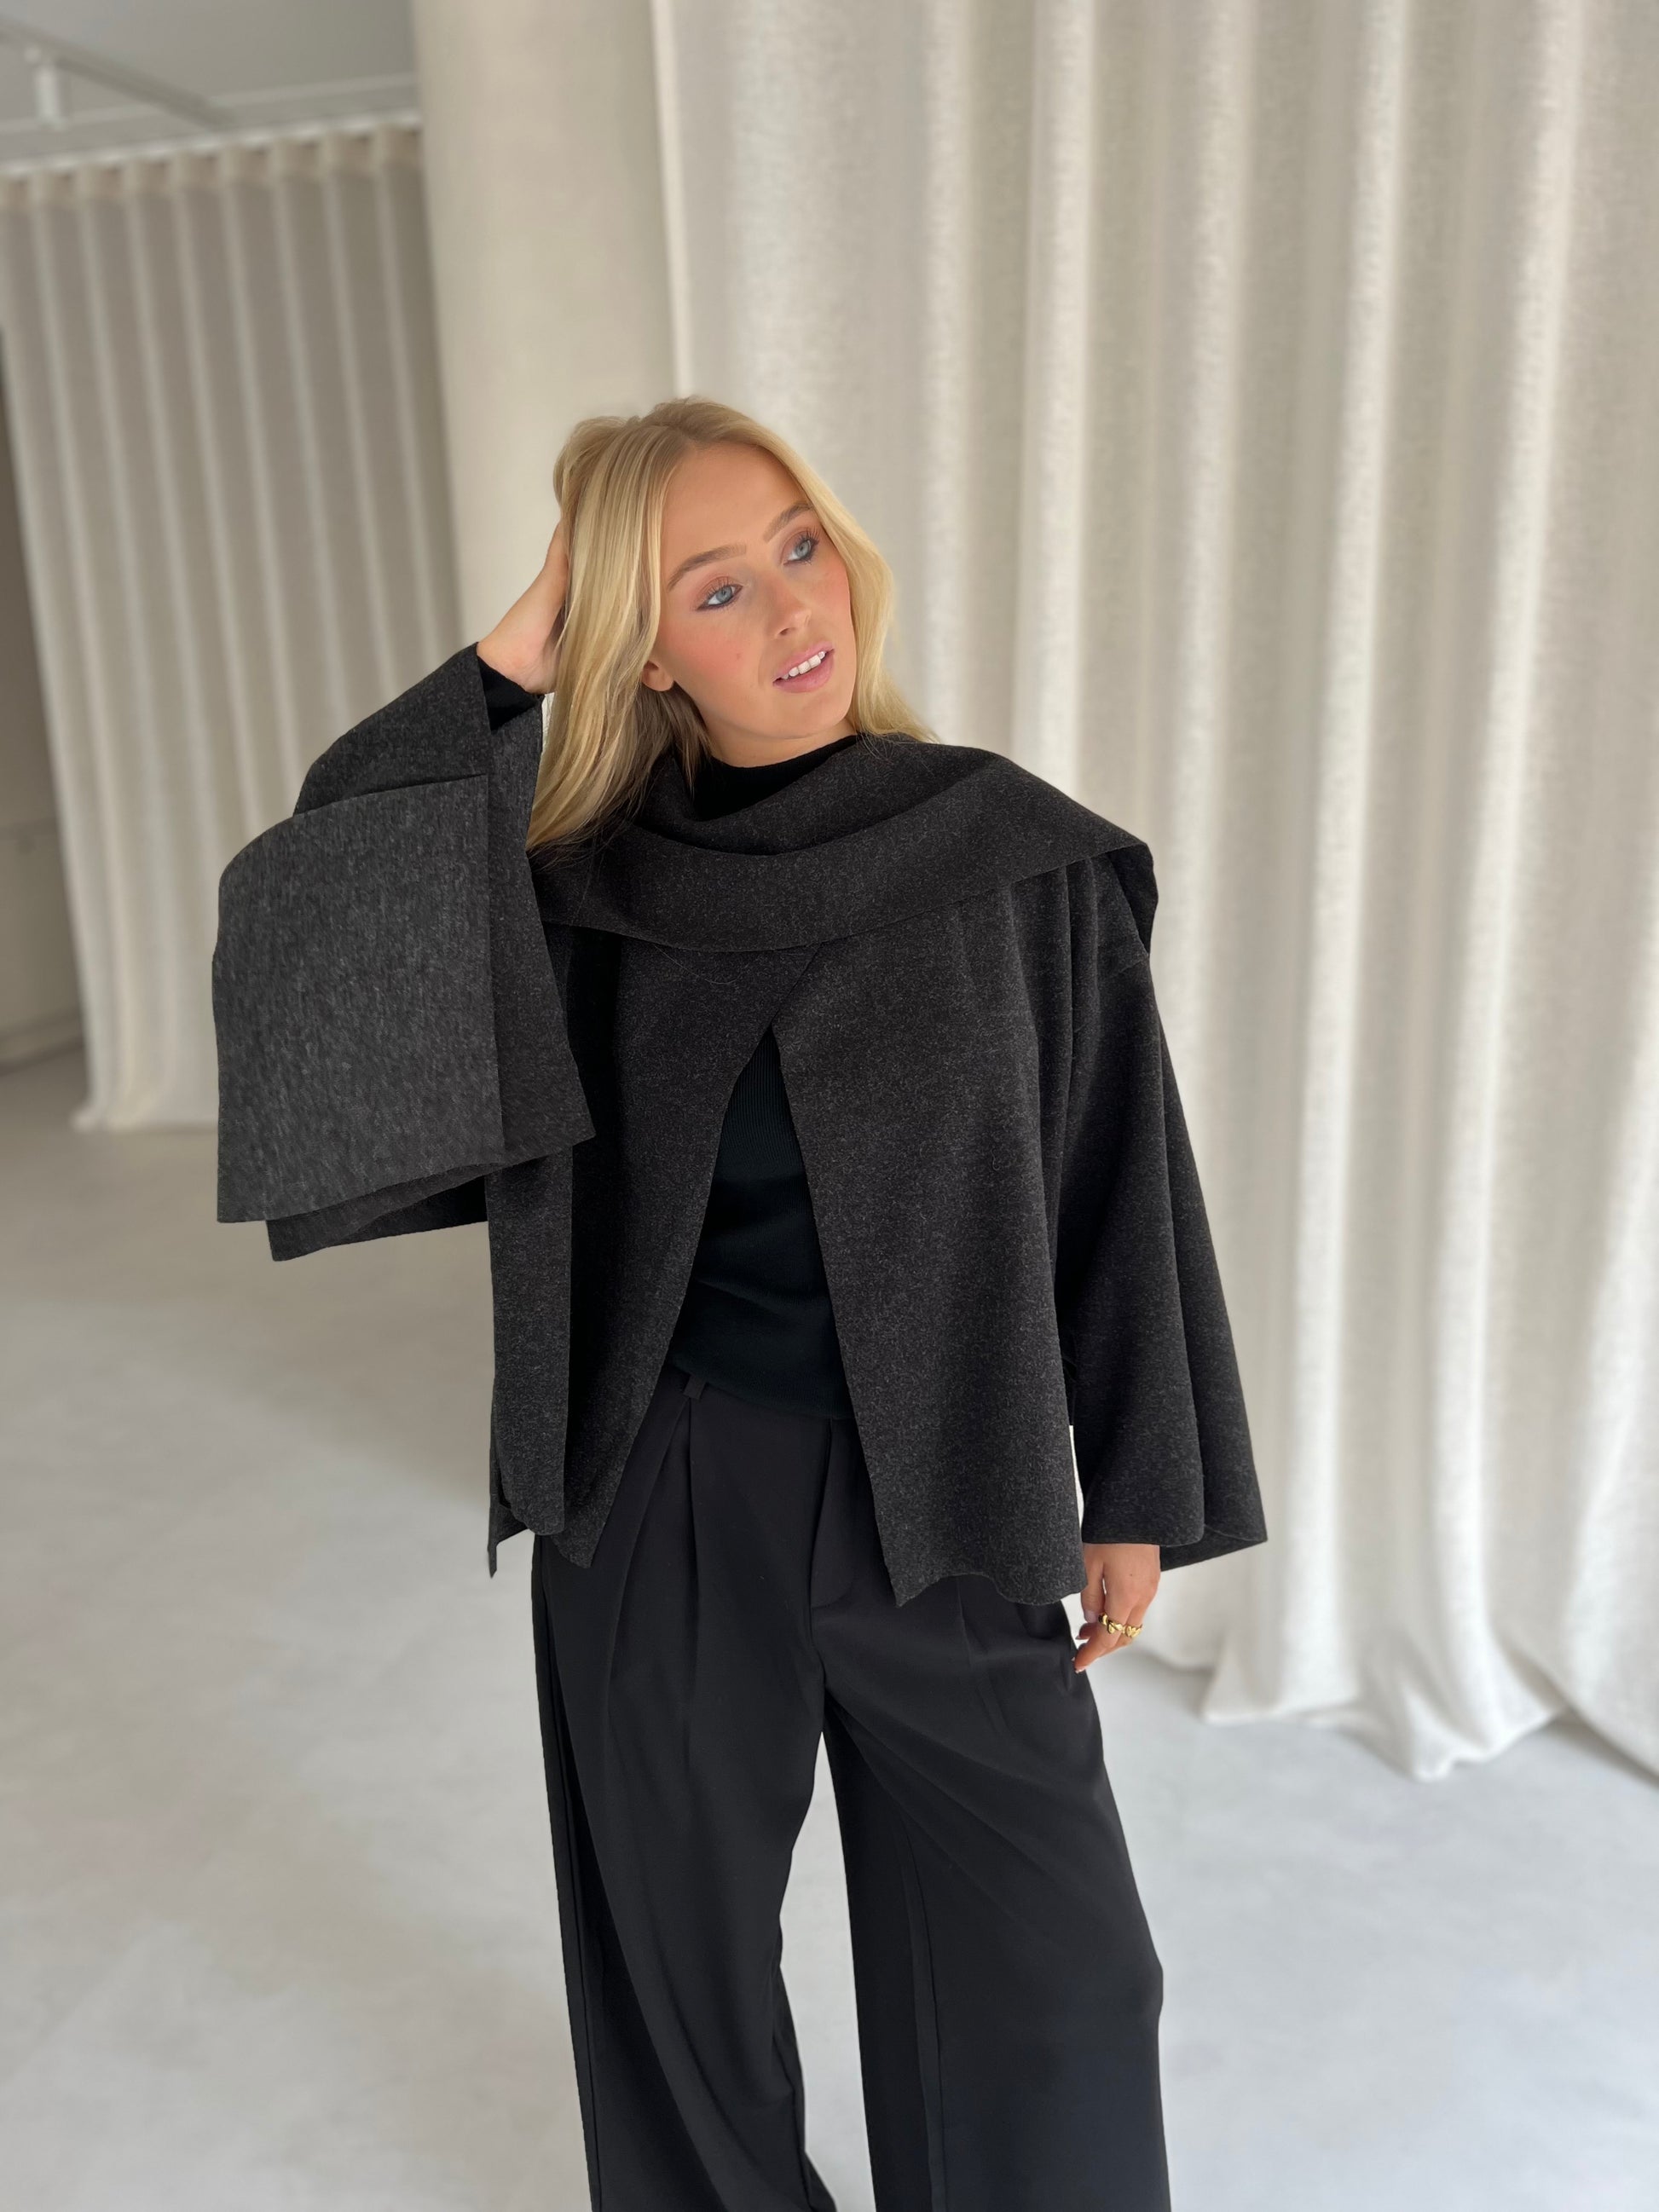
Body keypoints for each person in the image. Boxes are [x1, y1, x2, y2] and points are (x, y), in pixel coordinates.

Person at [211, 395, 1267, 2212]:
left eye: (798, 546)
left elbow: (1119, 1178)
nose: (792, 607)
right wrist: (511, 663)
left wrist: (1138, 1485)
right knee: (679, 1988)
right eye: (710, 588)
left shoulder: (1008, 858)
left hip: (948, 1489)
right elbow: (320, 948)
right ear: (639, 648)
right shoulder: (586, 894)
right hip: (666, 1490)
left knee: (1063, 1978)